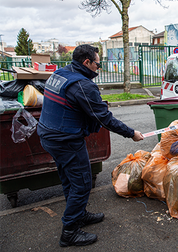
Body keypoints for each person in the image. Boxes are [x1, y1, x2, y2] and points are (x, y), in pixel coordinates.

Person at [37, 44, 144, 247]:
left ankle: (78, 215)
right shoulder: (83, 86)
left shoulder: (60, 73)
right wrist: (131, 134)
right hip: (65, 140)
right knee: (82, 183)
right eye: (97, 63)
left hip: (48, 135)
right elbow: (104, 118)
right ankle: (69, 232)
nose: (99, 67)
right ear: (86, 62)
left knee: (70, 179)